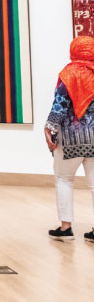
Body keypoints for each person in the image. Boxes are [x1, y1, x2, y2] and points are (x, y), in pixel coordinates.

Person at [44, 36, 94, 242]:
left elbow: (60, 107)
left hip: (70, 138)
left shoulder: (68, 75)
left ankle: (66, 228)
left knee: (64, 179)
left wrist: (50, 130)